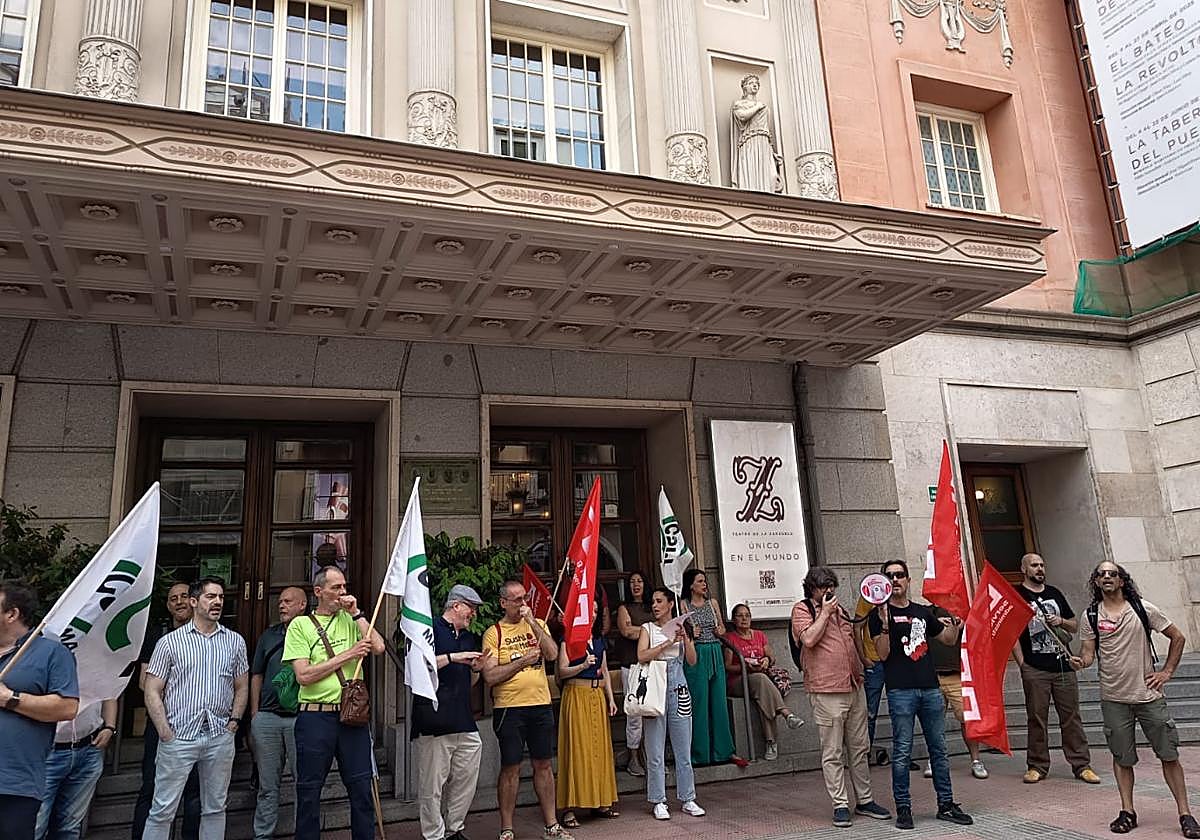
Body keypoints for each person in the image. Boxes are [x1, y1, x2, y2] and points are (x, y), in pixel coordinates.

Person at [1072, 561, 1198, 838]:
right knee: (1122, 757)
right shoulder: (1091, 614)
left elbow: (1177, 637)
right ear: (1095, 582)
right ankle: (1127, 811)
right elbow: (1088, 654)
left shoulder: (1142, 608)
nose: (1106, 577)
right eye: (1101, 574)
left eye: (1112, 574)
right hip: (1114, 697)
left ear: (1121, 580)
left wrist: (1166, 672)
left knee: (1169, 754)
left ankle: (1186, 814)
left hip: (1148, 695)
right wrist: (1080, 662)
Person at [867, 560, 972, 830]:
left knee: (939, 749)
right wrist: (885, 623)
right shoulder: (878, 615)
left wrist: (956, 625)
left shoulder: (922, 612)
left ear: (908, 579)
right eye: (890, 576)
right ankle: (903, 808)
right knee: (902, 751)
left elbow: (947, 640)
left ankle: (946, 804)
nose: (896, 579)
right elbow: (882, 654)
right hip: (900, 691)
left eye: (900, 575)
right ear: (884, 582)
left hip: (930, 689)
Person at [143, 577, 248, 840]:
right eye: (210, 596)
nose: (217, 602)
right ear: (194, 601)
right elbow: (151, 689)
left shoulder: (235, 642)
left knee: (215, 808)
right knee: (162, 809)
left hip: (219, 736)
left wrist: (234, 723)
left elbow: (242, 686)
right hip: (178, 736)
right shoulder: (170, 642)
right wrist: (165, 731)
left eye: (221, 597)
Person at [283, 567, 385, 840]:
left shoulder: (351, 619)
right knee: (309, 792)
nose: (342, 593)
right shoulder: (300, 625)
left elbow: (378, 647)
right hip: (315, 717)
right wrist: (347, 655)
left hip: (351, 716)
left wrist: (357, 614)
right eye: (336, 588)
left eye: (344, 586)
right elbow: (304, 675)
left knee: (362, 789)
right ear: (319, 592)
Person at [792, 567, 890, 828]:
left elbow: (852, 638)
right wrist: (824, 613)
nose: (829, 591)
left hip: (853, 685)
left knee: (859, 748)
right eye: (824, 586)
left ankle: (865, 799)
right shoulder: (802, 610)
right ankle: (840, 804)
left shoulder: (842, 611)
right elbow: (809, 639)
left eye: (831, 586)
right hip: (826, 690)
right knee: (833, 751)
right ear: (812, 588)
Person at [480, 579, 572, 840]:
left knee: (543, 763)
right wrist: (523, 662)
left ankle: (552, 825)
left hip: (540, 703)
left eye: (525, 598)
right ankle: (507, 828)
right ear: (503, 603)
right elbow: (490, 675)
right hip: (510, 707)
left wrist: (533, 622)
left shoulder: (538, 624)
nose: (523, 604)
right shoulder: (493, 632)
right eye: (517, 599)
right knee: (511, 766)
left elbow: (553, 654)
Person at [0, 582, 80, 840]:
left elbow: (67, 707)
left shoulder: (51, 653)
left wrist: (9, 698)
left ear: (11, 614)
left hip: (14, 784)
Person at [1014, 553, 1100, 785]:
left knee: (1071, 717)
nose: (1040, 569)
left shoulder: (1054, 593)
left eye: (1042, 564)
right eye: (1034, 565)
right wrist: (1023, 664)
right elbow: (1011, 634)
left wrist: (1060, 621)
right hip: (1035, 668)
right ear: (1024, 569)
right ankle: (1037, 765)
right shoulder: (1016, 596)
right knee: (1037, 718)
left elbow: (1074, 626)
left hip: (1064, 666)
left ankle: (1081, 764)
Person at [412, 585, 486, 840]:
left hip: (463, 718)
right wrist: (454, 657)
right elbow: (420, 666)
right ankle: (434, 835)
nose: (473, 614)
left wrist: (476, 668)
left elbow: (470, 682)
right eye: (471, 608)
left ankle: (454, 827)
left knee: (467, 776)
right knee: (432, 784)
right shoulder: (429, 628)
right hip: (434, 718)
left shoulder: (466, 637)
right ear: (456, 606)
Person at [132, 581, 201, 840]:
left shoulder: (212, 636)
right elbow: (143, 682)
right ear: (168, 605)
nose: (180, 601)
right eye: (174, 598)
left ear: (194, 601)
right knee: (150, 787)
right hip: (162, 725)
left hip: (197, 727)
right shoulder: (157, 635)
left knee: (194, 792)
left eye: (185, 596)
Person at [638, 587, 705, 821]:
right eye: (653, 601)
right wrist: (666, 643)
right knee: (655, 748)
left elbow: (692, 661)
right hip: (655, 684)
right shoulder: (647, 629)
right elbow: (642, 656)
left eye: (659, 601)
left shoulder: (681, 627)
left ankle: (688, 797)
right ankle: (658, 799)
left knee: (683, 746)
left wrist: (685, 638)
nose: (655, 605)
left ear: (670, 604)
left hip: (678, 684)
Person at [248, 586, 307, 840]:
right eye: (280, 601)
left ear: (303, 604)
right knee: (267, 786)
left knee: (303, 783)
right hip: (268, 718)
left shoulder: (311, 633)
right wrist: (254, 714)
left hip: (301, 718)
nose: (281, 605)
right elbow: (257, 674)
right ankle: (263, 834)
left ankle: (303, 832)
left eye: (288, 601)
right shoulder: (269, 636)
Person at [555, 600, 619, 827]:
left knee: (599, 748)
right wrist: (582, 665)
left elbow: (606, 672)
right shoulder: (569, 640)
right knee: (577, 749)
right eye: (587, 610)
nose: (591, 614)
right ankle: (570, 807)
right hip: (577, 694)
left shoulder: (599, 640)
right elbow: (562, 671)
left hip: (596, 696)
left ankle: (600, 801)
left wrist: (611, 698)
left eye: (594, 611)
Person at [678, 569, 742, 767]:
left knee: (718, 702)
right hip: (697, 653)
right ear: (691, 585)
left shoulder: (712, 603)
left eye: (705, 581)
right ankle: (700, 753)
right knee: (699, 703)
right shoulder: (684, 604)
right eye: (700, 581)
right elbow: (681, 629)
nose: (704, 584)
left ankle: (723, 751)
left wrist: (718, 631)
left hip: (715, 650)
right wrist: (691, 631)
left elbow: (723, 628)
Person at [723, 603, 802, 761]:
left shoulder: (759, 635)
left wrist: (766, 660)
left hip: (760, 680)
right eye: (740, 615)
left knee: (763, 697)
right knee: (761, 681)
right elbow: (727, 666)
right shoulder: (729, 638)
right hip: (738, 681)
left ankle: (771, 742)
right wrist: (745, 666)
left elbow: (771, 657)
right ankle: (786, 713)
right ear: (733, 619)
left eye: (747, 615)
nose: (744, 619)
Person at [35, 699, 118, 840]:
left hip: (89, 746)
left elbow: (110, 692)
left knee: (70, 826)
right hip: (47, 748)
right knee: (35, 825)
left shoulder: (96, 675)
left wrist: (110, 726)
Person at [925, 605, 987, 780]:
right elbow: (918, 624)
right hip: (933, 676)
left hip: (957, 675)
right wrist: (936, 622)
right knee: (933, 721)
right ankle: (933, 760)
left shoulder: (966, 612)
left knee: (967, 721)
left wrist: (964, 623)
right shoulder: (927, 611)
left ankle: (976, 760)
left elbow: (981, 633)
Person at [613, 571, 652, 777]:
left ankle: (652, 758)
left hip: (653, 666)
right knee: (634, 714)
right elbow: (626, 631)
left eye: (639, 581)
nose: (636, 585)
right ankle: (633, 758)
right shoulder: (624, 607)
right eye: (632, 582)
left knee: (653, 714)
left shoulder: (652, 606)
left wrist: (643, 632)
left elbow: (666, 629)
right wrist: (651, 632)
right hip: (632, 666)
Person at [730, 74, 784, 193]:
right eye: (751, 83)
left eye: (757, 83)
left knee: (768, 174)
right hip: (749, 142)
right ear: (744, 87)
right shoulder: (740, 104)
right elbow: (742, 116)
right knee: (751, 170)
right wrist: (757, 107)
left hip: (763, 142)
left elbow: (766, 130)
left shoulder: (763, 106)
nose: (755, 85)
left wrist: (772, 152)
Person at [854, 596, 888, 766]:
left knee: (902, 708)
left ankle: (904, 756)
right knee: (870, 712)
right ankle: (865, 754)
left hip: (895, 661)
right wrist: (862, 657)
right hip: (873, 661)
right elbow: (857, 626)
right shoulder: (869, 595)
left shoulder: (896, 594)